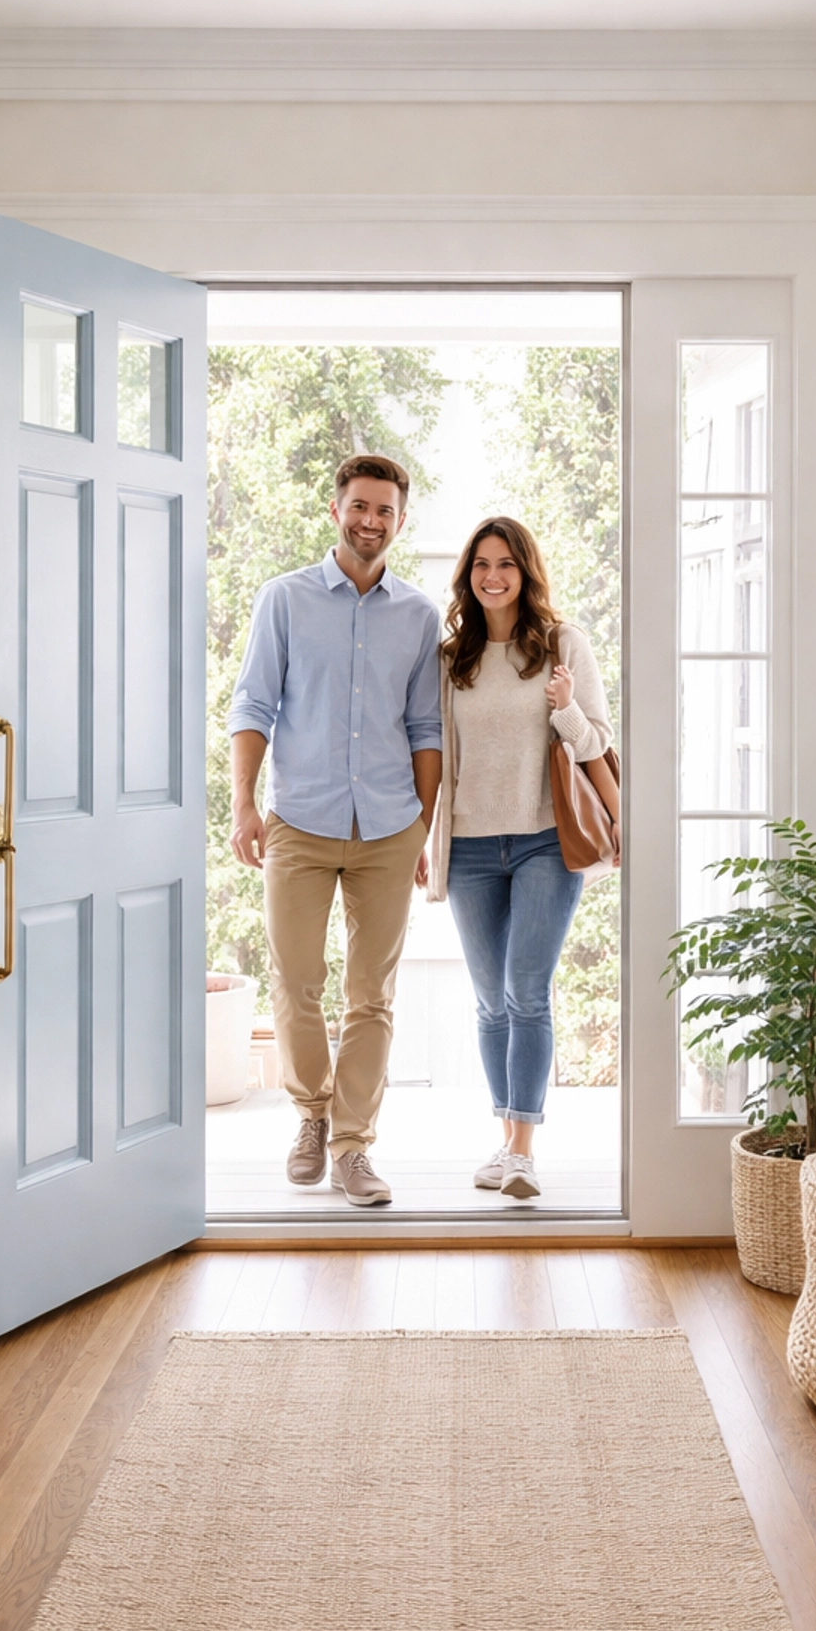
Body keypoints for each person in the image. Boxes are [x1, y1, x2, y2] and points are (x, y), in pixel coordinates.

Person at [228, 454, 442, 1207]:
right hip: (301, 821)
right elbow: (253, 706)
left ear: (400, 520)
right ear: (335, 509)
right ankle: (313, 1117)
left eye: (385, 510)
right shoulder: (283, 601)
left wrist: (423, 825)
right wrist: (243, 806)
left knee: (372, 995)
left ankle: (354, 1147)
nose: (370, 521)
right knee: (295, 983)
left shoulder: (418, 615)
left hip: (389, 826)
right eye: (359, 506)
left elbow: (425, 728)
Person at [426, 516, 616, 1202]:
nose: (493, 575)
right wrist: (430, 842)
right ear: (468, 575)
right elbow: (437, 758)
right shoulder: (453, 660)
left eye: (505, 563)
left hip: (544, 840)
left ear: (525, 571)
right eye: (481, 564)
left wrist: (564, 707)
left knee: (525, 992)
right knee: (489, 1003)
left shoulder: (564, 644)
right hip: (472, 845)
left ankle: (523, 1151)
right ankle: (505, 1138)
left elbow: (595, 743)